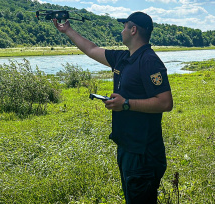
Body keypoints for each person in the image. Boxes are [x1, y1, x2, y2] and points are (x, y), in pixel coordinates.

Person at [53, 11, 173, 204]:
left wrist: (126, 103)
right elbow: (91, 49)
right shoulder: (123, 58)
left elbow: (166, 102)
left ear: (133, 30)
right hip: (127, 146)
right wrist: (68, 30)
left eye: (124, 26)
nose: (122, 30)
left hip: (143, 153)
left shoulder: (149, 61)